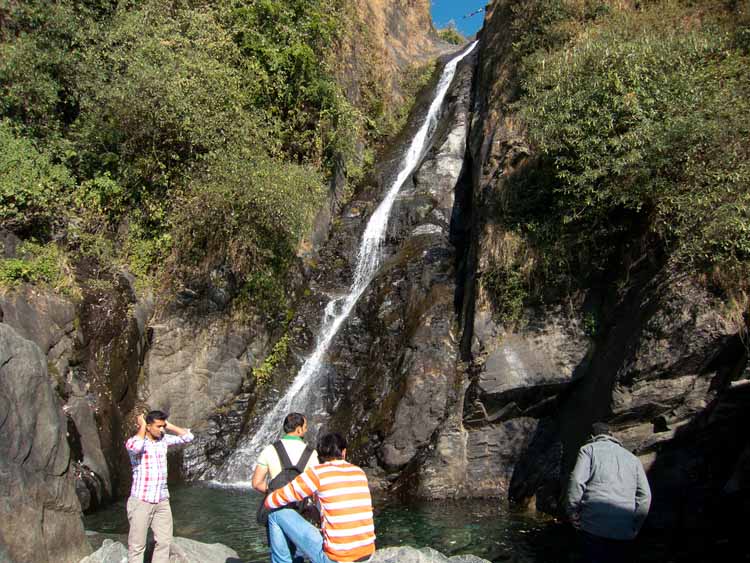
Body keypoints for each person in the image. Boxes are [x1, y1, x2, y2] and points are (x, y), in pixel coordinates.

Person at [265, 432, 376, 563]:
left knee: (275, 514)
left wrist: (269, 497)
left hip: (337, 559)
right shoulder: (359, 472)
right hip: (367, 554)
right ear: (344, 452)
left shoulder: (317, 473)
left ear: (320, 454)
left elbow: (273, 501)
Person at [566, 422, 652, 563]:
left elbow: (577, 481)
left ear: (592, 436)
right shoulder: (633, 458)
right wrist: (636, 524)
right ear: (611, 435)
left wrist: (572, 510)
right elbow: (645, 496)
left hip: (593, 525)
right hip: (624, 530)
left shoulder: (588, 449)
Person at [125, 410, 194, 563]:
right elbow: (135, 447)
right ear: (148, 427)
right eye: (158, 426)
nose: (162, 429)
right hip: (141, 501)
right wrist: (142, 425)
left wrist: (168, 425)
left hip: (162, 500)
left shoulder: (164, 439)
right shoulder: (135, 442)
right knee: (137, 546)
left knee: (164, 542)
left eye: (163, 426)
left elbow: (188, 436)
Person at [253, 413, 319, 563]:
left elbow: (257, 483)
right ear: (298, 430)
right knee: (298, 553)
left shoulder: (269, 450)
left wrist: (274, 493)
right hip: (300, 509)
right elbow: (315, 487)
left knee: (279, 555)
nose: (306, 430)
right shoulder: (312, 453)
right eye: (305, 427)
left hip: (275, 507)